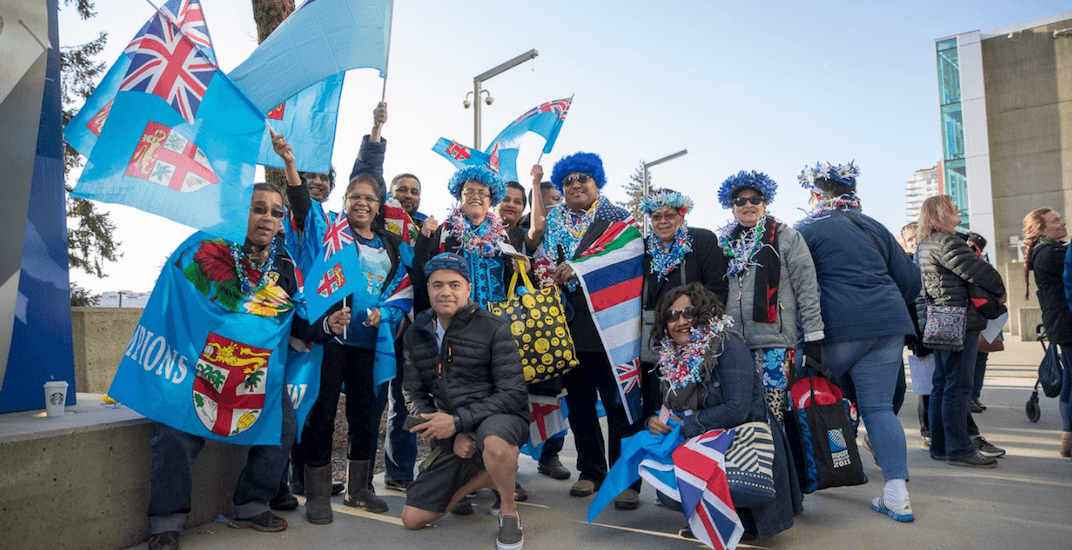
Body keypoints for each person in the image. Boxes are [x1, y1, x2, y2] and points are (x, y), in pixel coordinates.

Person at [146, 184, 351, 550]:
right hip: (201, 362)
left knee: (284, 426)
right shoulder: (209, 247)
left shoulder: (285, 264)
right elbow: (183, 299)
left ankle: (249, 504)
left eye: (275, 213)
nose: (267, 218)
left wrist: (326, 326)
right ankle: (167, 521)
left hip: (254, 370)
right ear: (242, 214)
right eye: (259, 209)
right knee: (176, 431)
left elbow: (297, 319)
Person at [287, 140, 410, 522]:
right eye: (355, 196)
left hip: (370, 345)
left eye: (370, 198)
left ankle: (359, 490)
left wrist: (384, 315)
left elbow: (403, 291)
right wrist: (291, 163)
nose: (362, 202)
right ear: (345, 201)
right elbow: (301, 207)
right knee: (321, 415)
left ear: (379, 205)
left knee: (365, 417)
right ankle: (319, 496)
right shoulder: (330, 233)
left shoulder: (392, 244)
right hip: (330, 341)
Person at [794, 161, 920, 522]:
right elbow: (911, 283)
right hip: (888, 324)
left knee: (804, 398)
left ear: (816, 195)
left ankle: (806, 478)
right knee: (878, 408)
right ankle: (897, 494)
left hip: (837, 329)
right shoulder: (875, 226)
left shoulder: (806, 228)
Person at [645, 283, 801, 542]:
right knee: (665, 492)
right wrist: (656, 421)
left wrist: (686, 426)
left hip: (743, 442)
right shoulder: (675, 357)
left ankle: (743, 518)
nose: (680, 321)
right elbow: (670, 408)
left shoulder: (727, 344)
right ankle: (714, 512)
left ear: (704, 313)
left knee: (738, 499)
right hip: (708, 438)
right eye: (672, 316)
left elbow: (737, 409)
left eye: (688, 312)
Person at [531, 152, 644, 508]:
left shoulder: (618, 218)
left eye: (584, 178)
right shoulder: (555, 219)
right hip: (569, 328)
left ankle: (625, 479)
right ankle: (591, 471)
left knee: (619, 405)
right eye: (568, 181)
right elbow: (544, 260)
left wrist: (578, 268)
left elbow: (630, 254)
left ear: (597, 181)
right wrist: (546, 274)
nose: (576, 185)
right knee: (579, 407)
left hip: (611, 329)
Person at [400, 253, 529, 550]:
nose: (446, 292)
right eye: (437, 285)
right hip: (452, 427)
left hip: (501, 417)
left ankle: (508, 511)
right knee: (413, 518)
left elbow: (511, 393)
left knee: (494, 442)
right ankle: (486, 477)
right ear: (428, 289)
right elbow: (412, 393)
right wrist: (452, 436)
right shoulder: (416, 333)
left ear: (468, 288)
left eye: (455, 284)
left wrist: (458, 422)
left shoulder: (494, 327)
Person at [715, 170, 824, 424]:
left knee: (772, 415)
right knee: (739, 413)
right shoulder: (725, 244)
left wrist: (813, 336)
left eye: (755, 199)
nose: (748, 205)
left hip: (774, 343)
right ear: (732, 209)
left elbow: (807, 288)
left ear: (765, 203)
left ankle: (777, 462)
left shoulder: (787, 236)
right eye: (740, 201)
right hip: (734, 344)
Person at [916, 195, 1006, 468]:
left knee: (943, 385)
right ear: (942, 214)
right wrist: (999, 292)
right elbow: (983, 274)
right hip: (959, 321)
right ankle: (959, 449)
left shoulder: (925, 245)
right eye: (954, 208)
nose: (958, 211)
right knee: (959, 386)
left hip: (940, 321)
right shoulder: (948, 242)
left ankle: (941, 446)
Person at [497, 168, 570, 482]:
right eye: (505, 200)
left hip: (531, 326)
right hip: (493, 329)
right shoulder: (479, 230)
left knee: (549, 387)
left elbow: (538, 227)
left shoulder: (526, 235)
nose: (511, 205)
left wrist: (536, 182)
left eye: (518, 201)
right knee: (505, 397)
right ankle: (504, 466)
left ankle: (550, 455)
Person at [638, 189, 728, 441]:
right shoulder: (644, 249)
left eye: (669, 215)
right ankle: (659, 467)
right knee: (657, 407)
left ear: (682, 215)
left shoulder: (701, 240)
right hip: (657, 340)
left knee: (692, 403)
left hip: (694, 340)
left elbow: (717, 290)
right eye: (656, 217)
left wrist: (697, 327)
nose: (663, 221)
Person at [414, 165, 513, 310]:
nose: (476, 196)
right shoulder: (444, 231)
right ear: (460, 196)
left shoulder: (501, 235)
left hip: (496, 318)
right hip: (455, 318)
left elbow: (511, 277)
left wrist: (524, 268)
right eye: (469, 191)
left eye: (482, 193)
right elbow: (421, 273)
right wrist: (424, 239)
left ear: (491, 200)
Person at [1023, 207, 1072, 457]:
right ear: (1041, 228)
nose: (1062, 222)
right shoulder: (1052, 253)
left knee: (1070, 381)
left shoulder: (1046, 251)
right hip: (1067, 322)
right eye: (1055, 220)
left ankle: (1067, 436)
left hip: (1060, 323)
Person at [901, 222, 936, 450]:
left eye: (917, 237)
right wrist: (916, 340)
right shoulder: (906, 265)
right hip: (921, 335)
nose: (914, 242)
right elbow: (911, 306)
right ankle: (928, 432)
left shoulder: (928, 259)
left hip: (937, 329)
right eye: (910, 239)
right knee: (925, 389)